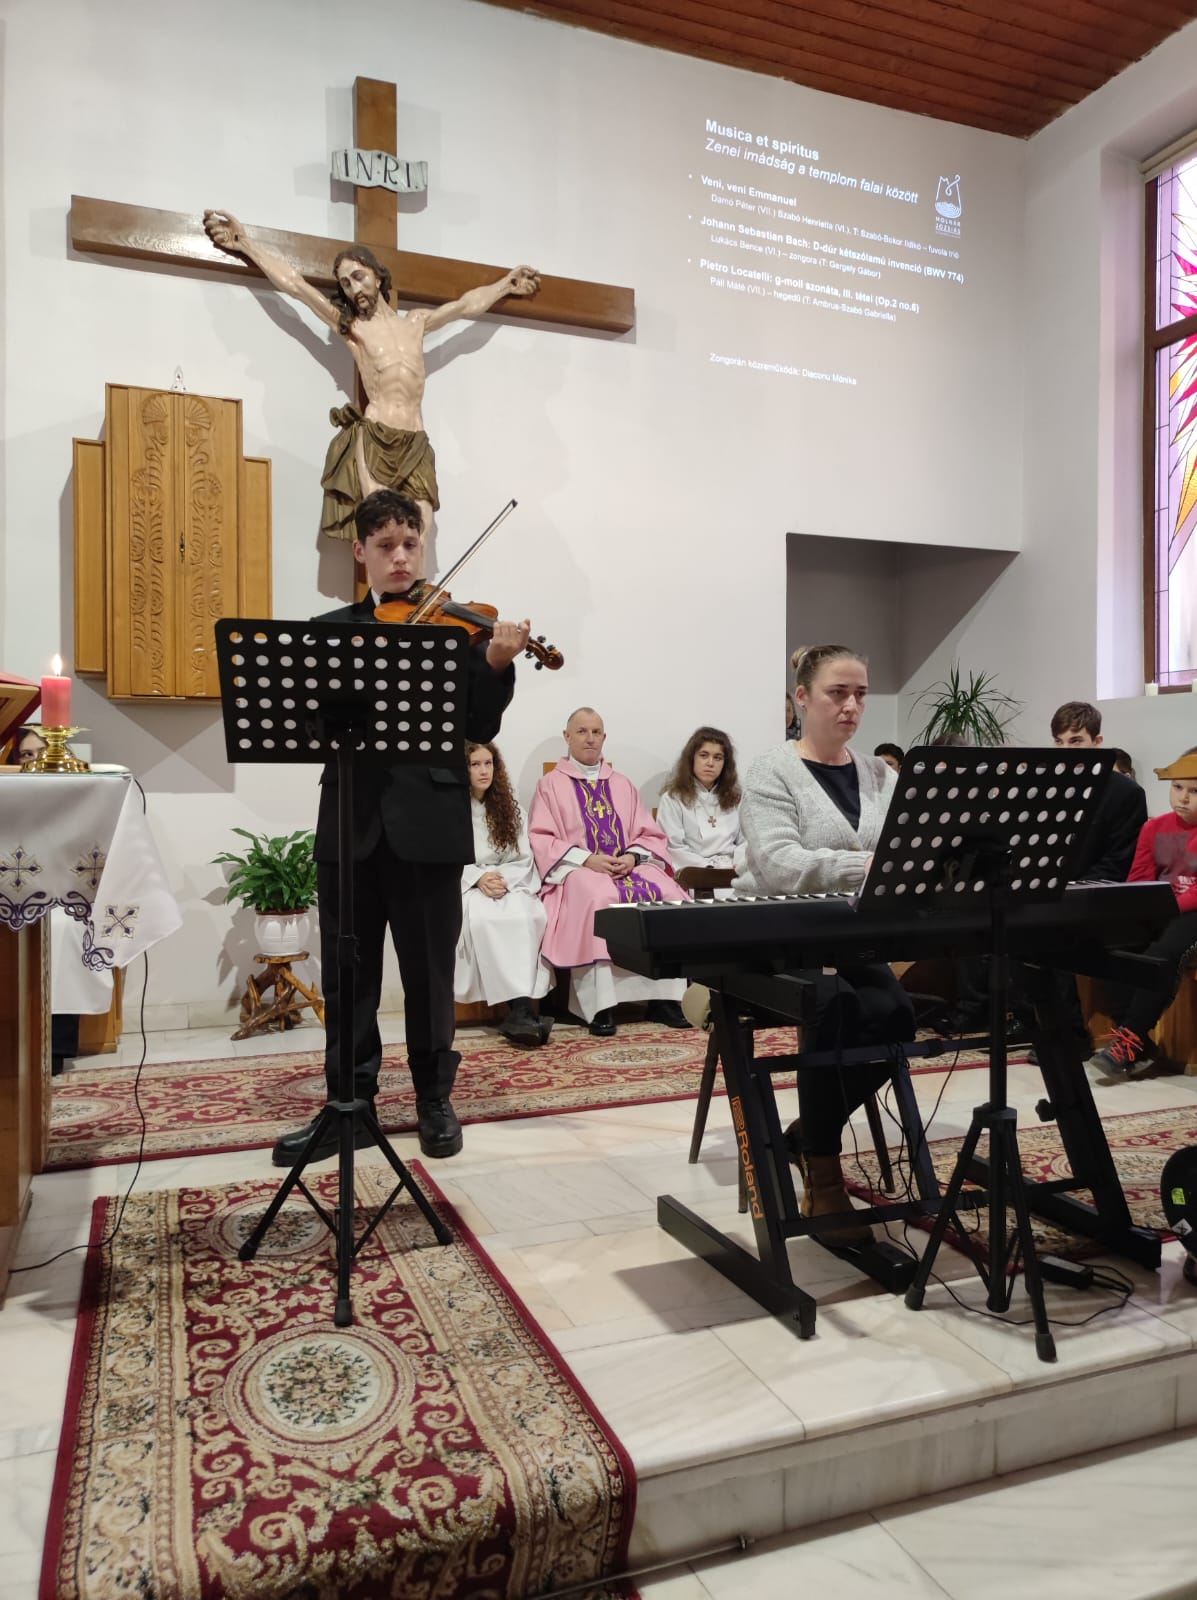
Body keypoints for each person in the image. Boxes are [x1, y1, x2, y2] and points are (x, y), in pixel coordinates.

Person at [271, 489, 530, 1167]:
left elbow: (478, 725)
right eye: (385, 546)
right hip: (350, 821)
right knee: (347, 978)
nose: (400, 557)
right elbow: (307, 725)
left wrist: (495, 665)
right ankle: (348, 1106)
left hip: (430, 824)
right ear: (360, 551)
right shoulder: (329, 632)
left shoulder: (453, 632)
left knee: (429, 974)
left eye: (410, 544)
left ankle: (433, 1100)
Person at [202, 210, 539, 535]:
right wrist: (246, 245)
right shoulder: (354, 329)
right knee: (383, 529)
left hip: (416, 439)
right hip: (377, 436)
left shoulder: (416, 323)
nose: (354, 289)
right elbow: (297, 287)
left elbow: (465, 306)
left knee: (421, 530)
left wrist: (505, 285)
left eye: (359, 277)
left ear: (377, 276)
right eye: (346, 284)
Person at [735, 643, 913, 1247]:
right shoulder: (771, 770)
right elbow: (780, 864)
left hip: (851, 936)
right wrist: (868, 865)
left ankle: (805, 1135)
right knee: (835, 1008)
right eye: (838, 693)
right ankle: (824, 1168)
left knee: (897, 1016)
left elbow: (903, 852)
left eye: (860, 693)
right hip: (777, 935)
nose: (852, 705)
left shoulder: (880, 774)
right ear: (802, 698)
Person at [529, 707, 691, 1036]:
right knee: (599, 895)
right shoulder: (550, 785)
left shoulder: (621, 784)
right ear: (567, 736)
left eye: (596, 732)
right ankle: (600, 1006)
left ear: (604, 737)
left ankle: (666, 1000)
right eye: (582, 731)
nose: (590, 738)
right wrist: (587, 859)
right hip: (580, 868)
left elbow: (649, 834)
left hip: (625, 865)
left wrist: (632, 857)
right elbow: (542, 839)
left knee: (668, 893)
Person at [1086, 747, 1197, 1078]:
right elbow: (1139, 880)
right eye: (1177, 787)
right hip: (1162, 909)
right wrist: (1139, 913)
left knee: (1161, 953)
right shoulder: (1155, 828)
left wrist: (1165, 909)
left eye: (1194, 791)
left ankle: (1129, 1040)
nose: (1183, 798)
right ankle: (1137, 1041)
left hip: (1191, 914)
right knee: (1106, 941)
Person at [455, 740, 553, 1047]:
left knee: (527, 915)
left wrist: (503, 880)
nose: (484, 771)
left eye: (488, 763)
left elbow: (524, 859)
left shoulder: (511, 809)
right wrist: (478, 878)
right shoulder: (449, 810)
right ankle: (521, 1011)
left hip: (509, 883)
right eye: (475, 764)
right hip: (469, 885)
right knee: (485, 921)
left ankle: (521, 1013)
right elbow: (446, 859)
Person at [1050, 702, 1146, 881]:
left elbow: (1118, 862)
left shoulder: (1126, 792)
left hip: (1093, 891)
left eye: (1075, 741)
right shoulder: (1048, 786)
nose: (1065, 751)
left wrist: (1070, 888)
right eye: (1059, 742)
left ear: (1097, 742)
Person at [656, 727, 746, 875]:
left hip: (733, 870)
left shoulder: (736, 798)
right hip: (694, 873)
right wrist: (708, 868)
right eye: (704, 755)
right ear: (692, 758)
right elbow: (673, 848)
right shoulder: (673, 799)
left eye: (718, 757)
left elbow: (747, 841)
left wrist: (738, 864)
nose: (710, 763)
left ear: (725, 763)